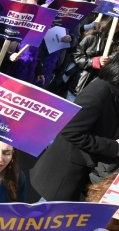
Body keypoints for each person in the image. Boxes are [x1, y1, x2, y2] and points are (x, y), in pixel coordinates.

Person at [31, 53, 119, 201]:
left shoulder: (112, 89)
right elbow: (70, 131)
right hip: (63, 174)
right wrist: (114, 148)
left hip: (85, 173)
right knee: (43, 218)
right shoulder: (98, 93)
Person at [66, 16, 119, 102]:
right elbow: (75, 56)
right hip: (80, 83)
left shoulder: (116, 44)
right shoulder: (92, 37)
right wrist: (94, 62)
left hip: (99, 89)